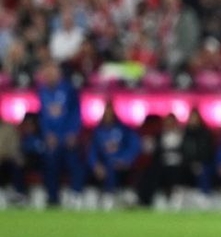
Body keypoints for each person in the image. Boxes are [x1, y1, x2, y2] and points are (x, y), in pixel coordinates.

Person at [35, 61, 85, 207]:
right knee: (49, 163)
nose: (49, 76)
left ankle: (76, 194)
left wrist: (73, 132)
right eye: (47, 73)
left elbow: (75, 113)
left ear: (58, 74)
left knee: (75, 162)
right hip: (52, 139)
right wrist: (47, 134)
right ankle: (52, 197)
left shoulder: (68, 89)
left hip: (68, 137)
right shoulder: (42, 91)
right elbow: (43, 116)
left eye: (52, 72)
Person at [87, 99, 142, 210]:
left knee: (118, 168)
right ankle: (108, 196)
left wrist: (125, 159)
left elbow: (134, 146)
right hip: (104, 165)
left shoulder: (124, 130)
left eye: (110, 112)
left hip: (122, 165)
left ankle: (120, 196)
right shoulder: (97, 132)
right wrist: (95, 165)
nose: (108, 115)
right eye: (106, 112)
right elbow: (92, 151)